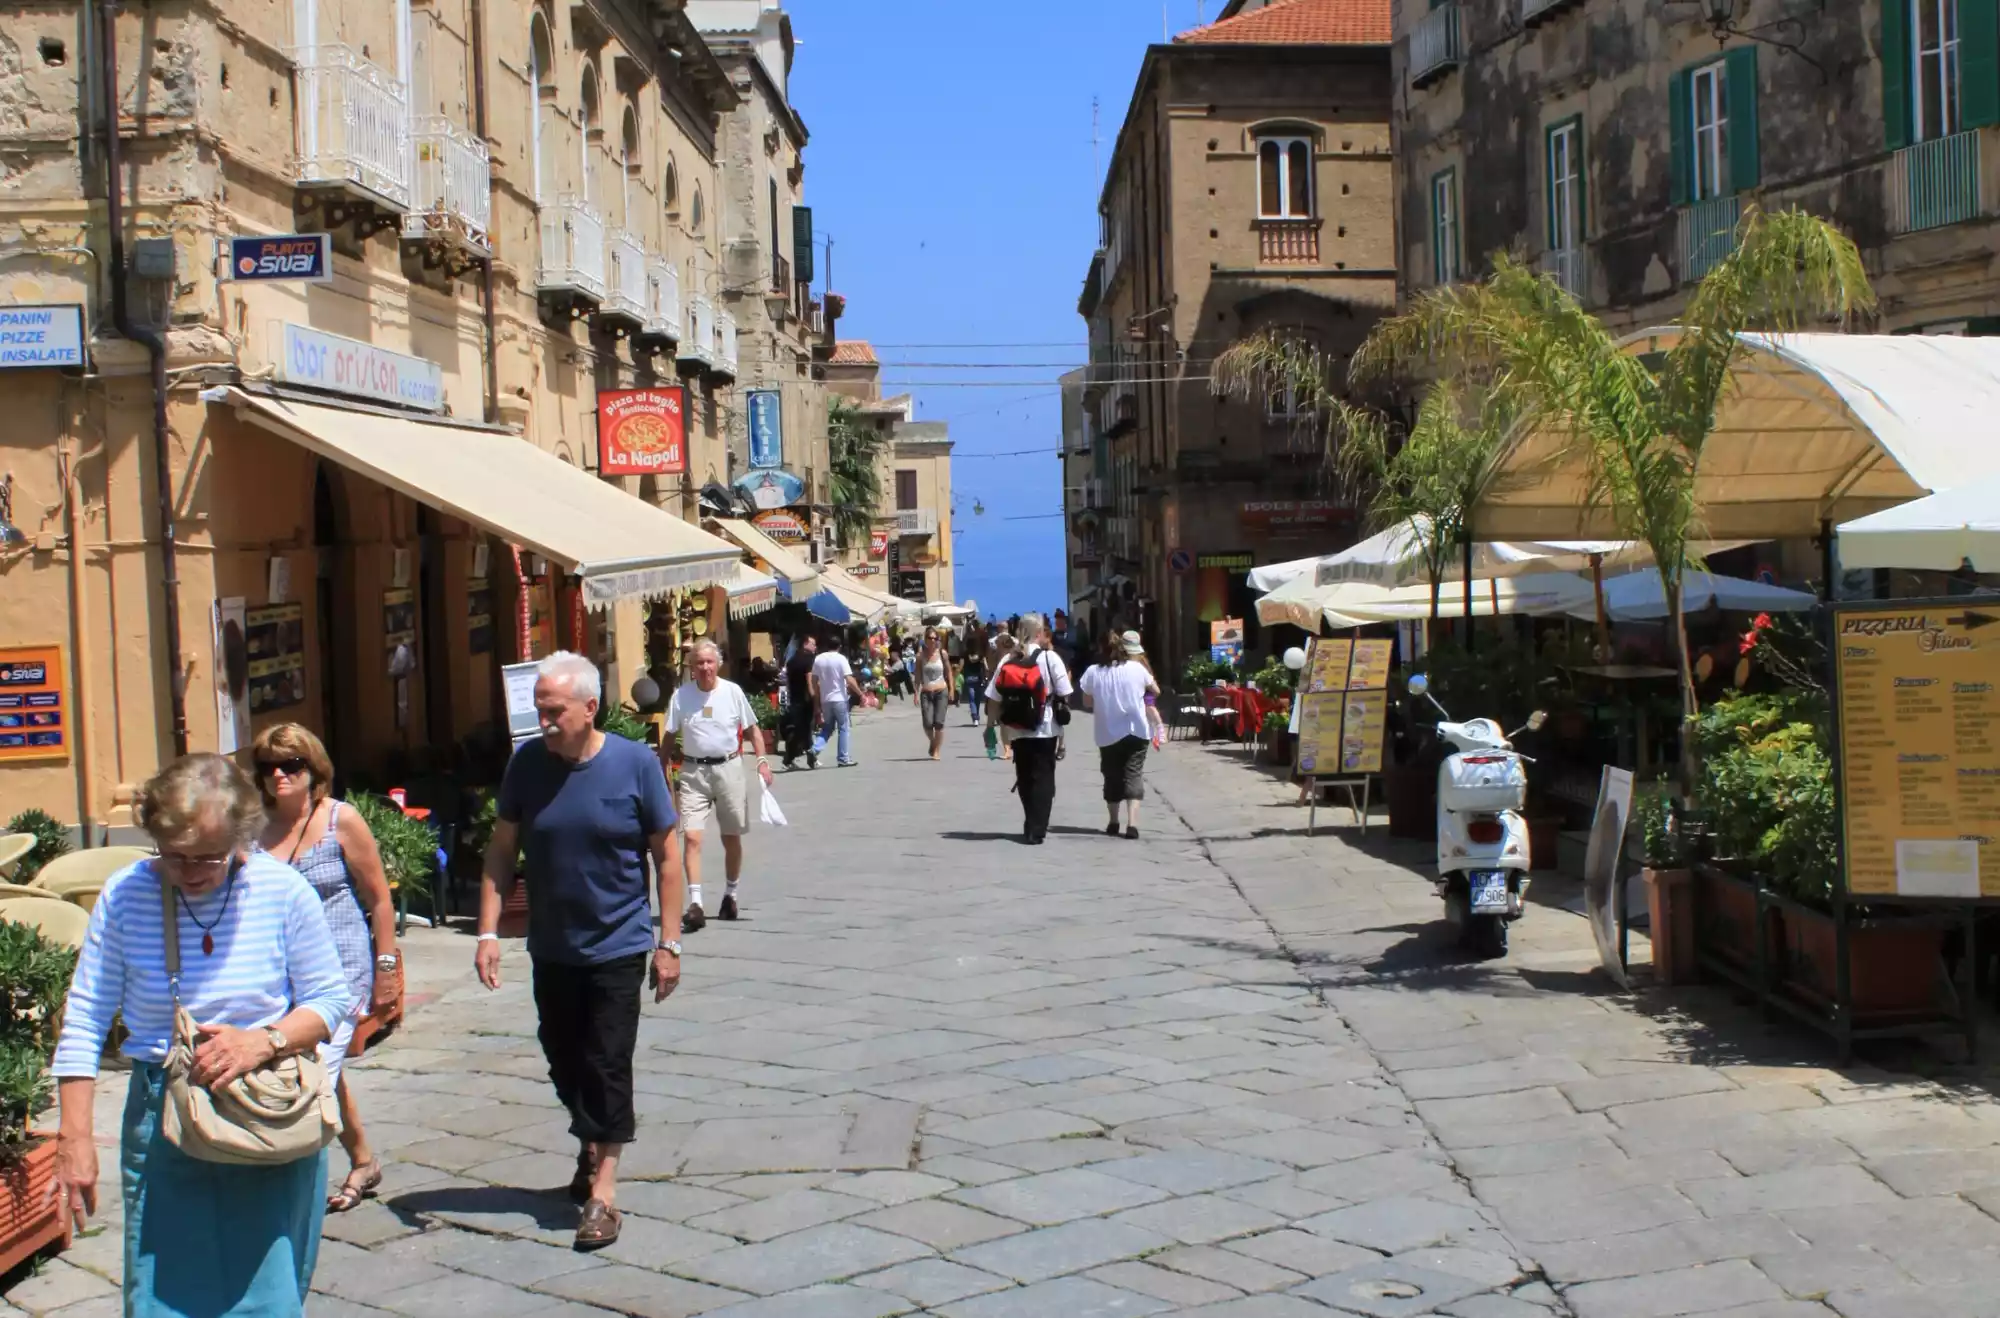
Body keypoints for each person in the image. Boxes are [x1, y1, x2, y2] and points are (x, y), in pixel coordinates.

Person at [52, 753, 351, 1315]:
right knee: (164, 1293)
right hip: (163, 1115)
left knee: (267, 1293)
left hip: (265, 1113)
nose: (188, 872)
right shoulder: (126, 894)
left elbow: (330, 999)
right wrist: (75, 1140)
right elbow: (87, 1015)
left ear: (243, 838)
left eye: (207, 857)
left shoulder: (281, 890)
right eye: (173, 856)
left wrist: (262, 1040)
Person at [477, 651, 684, 1250]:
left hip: (618, 943)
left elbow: (666, 859)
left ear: (590, 709)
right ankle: (590, 1143)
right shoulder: (526, 766)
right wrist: (489, 931)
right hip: (553, 945)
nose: (543, 720)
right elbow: (500, 849)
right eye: (538, 709)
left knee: (606, 1060)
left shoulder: (635, 764)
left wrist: (668, 943)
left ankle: (603, 1194)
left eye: (553, 710)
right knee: (563, 1058)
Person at [252, 723, 401, 1215]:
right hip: (280, 973)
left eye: (291, 764)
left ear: (313, 769)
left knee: (311, 1074)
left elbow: (378, 898)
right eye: (268, 766)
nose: (279, 774)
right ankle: (363, 1160)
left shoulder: (342, 819)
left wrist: (387, 968)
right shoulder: (254, 828)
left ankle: (289, 1192)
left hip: (341, 972)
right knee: (317, 1067)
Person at [667, 639, 773, 932]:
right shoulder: (681, 697)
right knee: (692, 837)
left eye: (709, 662)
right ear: (691, 667)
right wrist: (658, 767)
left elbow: (752, 729)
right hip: (693, 771)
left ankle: (731, 894)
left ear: (718, 664)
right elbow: (668, 736)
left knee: (731, 837)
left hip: (729, 768)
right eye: (699, 663)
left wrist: (762, 760)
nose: (705, 668)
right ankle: (696, 904)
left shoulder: (732, 692)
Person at [986, 611, 1075, 844]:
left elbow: (994, 697)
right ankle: (1037, 827)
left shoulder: (1008, 660)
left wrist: (989, 728)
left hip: (1017, 727)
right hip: (1046, 727)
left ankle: (1030, 822)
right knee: (1044, 777)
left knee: (1024, 776)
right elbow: (1066, 693)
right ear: (1039, 633)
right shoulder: (1050, 658)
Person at [1075, 631, 1161, 839]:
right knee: (1133, 773)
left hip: (1107, 732)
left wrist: (1104, 700)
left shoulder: (1093, 672)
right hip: (1137, 730)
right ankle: (1132, 824)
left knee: (1111, 774)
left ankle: (1114, 822)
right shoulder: (1137, 669)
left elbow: (1086, 702)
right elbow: (1156, 690)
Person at [811, 633, 864, 767]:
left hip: (825, 699)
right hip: (839, 698)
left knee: (828, 727)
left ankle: (814, 749)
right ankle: (843, 757)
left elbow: (814, 681)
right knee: (843, 728)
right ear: (839, 646)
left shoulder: (818, 659)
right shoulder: (841, 659)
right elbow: (849, 679)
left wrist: (817, 701)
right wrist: (860, 693)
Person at [915, 627, 957, 760]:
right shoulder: (920, 656)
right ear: (925, 639)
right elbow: (917, 676)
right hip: (926, 692)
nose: (933, 641)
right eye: (930, 638)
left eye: (935, 638)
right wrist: (916, 693)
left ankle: (937, 751)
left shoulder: (942, 653)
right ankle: (933, 742)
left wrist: (951, 689)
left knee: (938, 723)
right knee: (927, 723)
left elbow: (949, 672)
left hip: (941, 691)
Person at [780, 634, 819, 771]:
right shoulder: (809, 660)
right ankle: (809, 757)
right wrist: (815, 698)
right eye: (813, 644)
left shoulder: (791, 661)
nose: (815, 647)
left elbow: (789, 682)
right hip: (805, 699)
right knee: (806, 728)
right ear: (805, 644)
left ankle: (791, 759)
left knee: (798, 729)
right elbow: (809, 682)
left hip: (795, 699)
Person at [959, 634, 988, 727]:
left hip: (969, 678)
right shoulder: (981, 655)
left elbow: (961, 666)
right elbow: (986, 667)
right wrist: (987, 676)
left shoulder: (965, 654)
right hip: (979, 678)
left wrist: (955, 673)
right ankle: (976, 715)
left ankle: (975, 716)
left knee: (971, 698)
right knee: (977, 699)